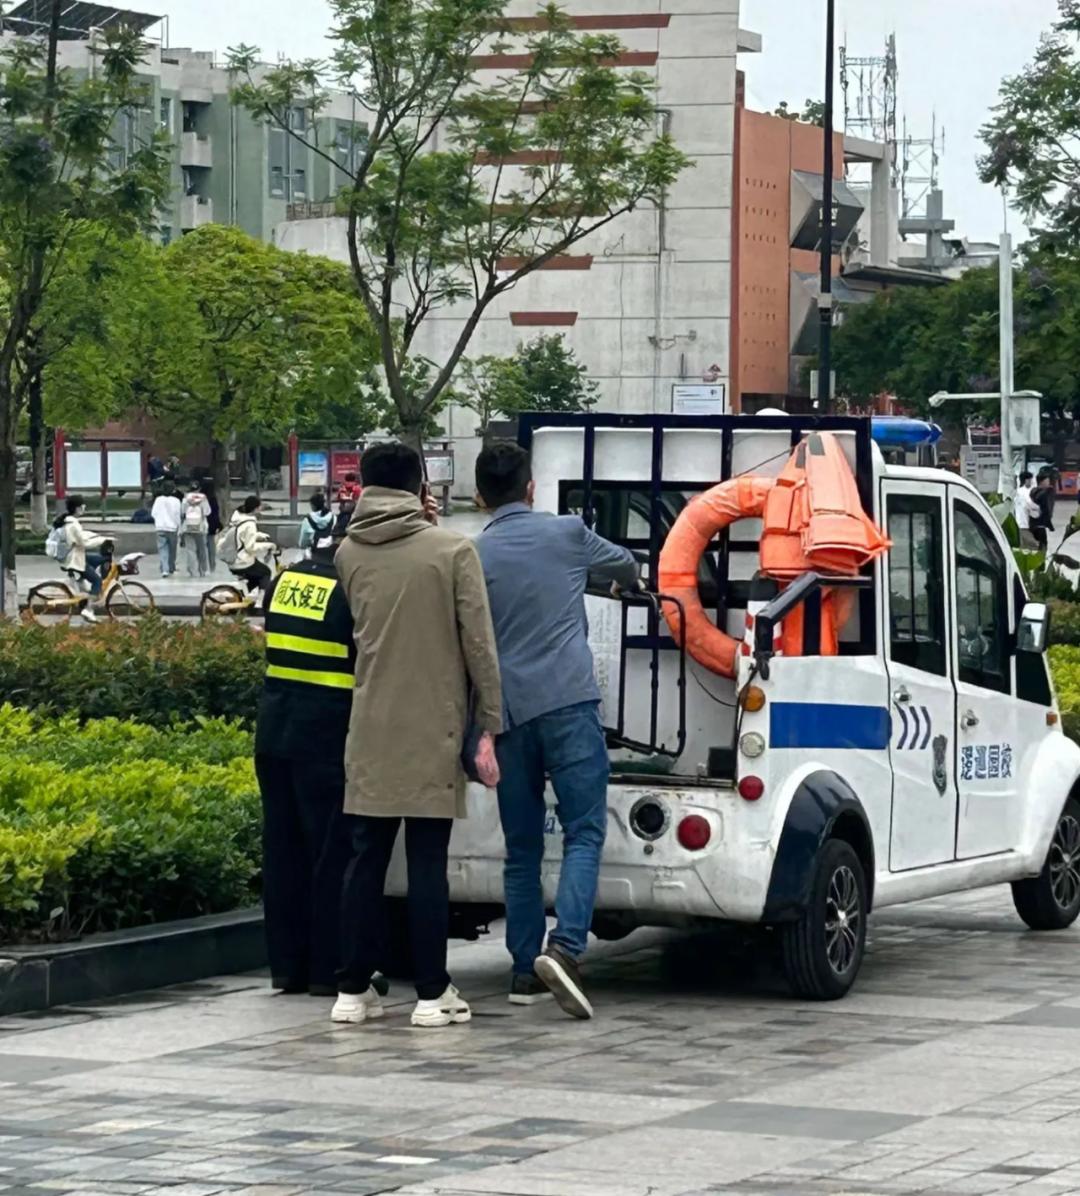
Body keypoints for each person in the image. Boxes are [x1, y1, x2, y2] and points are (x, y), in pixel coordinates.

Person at [332, 442, 502, 1029]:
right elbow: (478, 645)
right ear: (419, 485)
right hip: (435, 722)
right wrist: (490, 722)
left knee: (365, 860)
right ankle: (432, 993)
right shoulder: (452, 550)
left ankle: (351, 991)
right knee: (428, 862)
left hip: (370, 723)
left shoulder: (347, 552)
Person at [475, 440, 640, 1019]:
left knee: (520, 848)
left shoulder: (473, 554)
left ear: (478, 497)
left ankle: (523, 970)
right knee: (584, 832)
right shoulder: (568, 534)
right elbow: (626, 564)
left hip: (508, 715)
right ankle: (566, 948)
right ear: (530, 489)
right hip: (569, 703)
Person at [256, 528, 360, 996]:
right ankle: (326, 970)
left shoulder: (283, 581)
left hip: (274, 731)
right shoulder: (347, 593)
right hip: (325, 736)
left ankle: (286, 967)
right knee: (329, 854)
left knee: (282, 851)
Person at [55, 496, 108, 623]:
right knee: (97, 581)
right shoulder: (73, 524)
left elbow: (81, 536)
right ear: (78, 508)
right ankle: (88, 609)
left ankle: (81, 582)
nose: (85, 507)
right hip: (75, 559)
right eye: (83, 505)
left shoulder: (69, 522)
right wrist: (101, 541)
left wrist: (95, 535)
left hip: (75, 556)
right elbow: (83, 543)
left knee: (98, 559)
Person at [222, 495, 274, 592]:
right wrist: (269, 546)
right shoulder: (250, 524)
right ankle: (262, 599)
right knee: (266, 572)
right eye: (259, 506)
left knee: (256, 576)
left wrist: (259, 535)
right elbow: (250, 547)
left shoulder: (237, 519)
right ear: (256, 508)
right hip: (242, 562)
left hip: (233, 559)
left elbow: (241, 535)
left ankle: (246, 596)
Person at [180, 481, 212, 578]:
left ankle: (193, 571)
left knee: (190, 550)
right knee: (202, 549)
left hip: (188, 527)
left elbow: (182, 512)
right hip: (201, 527)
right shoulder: (203, 498)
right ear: (199, 488)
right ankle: (203, 570)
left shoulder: (185, 499)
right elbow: (207, 512)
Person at [151, 482, 182, 577]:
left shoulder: (158, 500)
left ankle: (164, 569)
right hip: (172, 528)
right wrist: (179, 526)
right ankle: (171, 567)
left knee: (162, 549)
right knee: (172, 549)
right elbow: (177, 515)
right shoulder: (176, 501)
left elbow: (153, 513)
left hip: (160, 527)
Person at [299, 492, 334, 559]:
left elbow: (303, 542)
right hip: (330, 554)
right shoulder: (333, 517)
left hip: (314, 554)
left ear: (313, 506)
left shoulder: (307, 520)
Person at [1014, 471, 1041, 550]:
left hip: (1022, 524)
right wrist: (1039, 508)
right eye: (1030, 480)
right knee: (1035, 545)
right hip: (1023, 525)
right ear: (1025, 480)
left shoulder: (1018, 492)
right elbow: (1029, 504)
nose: (1031, 482)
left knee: (1024, 547)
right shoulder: (1023, 492)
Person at [1032, 469, 1058, 551]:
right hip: (1039, 526)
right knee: (1042, 547)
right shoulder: (1044, 494)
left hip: (1032, 525)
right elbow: (1045, 511)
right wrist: (1050, 525)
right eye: (1047, 481)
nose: (1049, 483)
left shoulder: (1033, 491)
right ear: (1042, 482)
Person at [334, 472, 362, 539]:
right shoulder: (358, 489)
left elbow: (338, 499)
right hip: (354, 515)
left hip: (342, 515)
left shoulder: (342, 489)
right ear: (354, 479)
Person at [203, 479, 222, 572]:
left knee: (201, 547)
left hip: (200, 525)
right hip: (211, 526)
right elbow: (215, 513)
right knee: (211, 547)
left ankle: (202, 566)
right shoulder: (213, 499)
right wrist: (218, 524)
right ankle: (212, 566)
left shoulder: (200, 498)